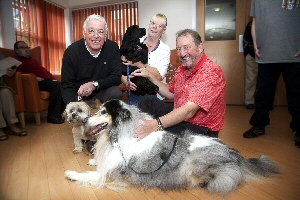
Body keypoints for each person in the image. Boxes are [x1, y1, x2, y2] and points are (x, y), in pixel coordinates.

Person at [132, 29, 226, 140]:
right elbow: (171, 93)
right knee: (148, 101)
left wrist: (154, 125)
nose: (182, 53)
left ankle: (144, 133)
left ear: (200, 47)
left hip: (202, 129)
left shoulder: (210, 72)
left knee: (159, 135)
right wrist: (150, 77)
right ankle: (137, 132)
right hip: (182, 118)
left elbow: (188, 111)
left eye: (187, 47)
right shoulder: (182, 69)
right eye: (179, 49)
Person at [243, 0, 300, 148]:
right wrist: (255, 45)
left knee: (296, 94)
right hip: (266, 56)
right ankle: (259, 126)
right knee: (263, 94)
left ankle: (299, 130)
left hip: (294, 55)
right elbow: (254, 22)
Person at [61, 14, 122, 105]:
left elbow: (116, 77)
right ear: (84, 33)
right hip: (79, 98)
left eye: (100, 32)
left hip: (102, 95)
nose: (96, 36)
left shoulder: (112, 48)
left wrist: (94, 85)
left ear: (105, 35)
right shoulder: (71, 52)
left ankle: (104, 117)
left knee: (115, 92)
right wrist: (73, 106)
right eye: (91, 31)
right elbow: (67, 85)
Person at [121, 13, 170, 106]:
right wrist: (124, 79)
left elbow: (159, 76)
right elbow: (121, 62)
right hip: (134, 91)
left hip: (154, 94)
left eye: (159, 26)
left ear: (163, 31)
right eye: (153, 23)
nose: (154, 27)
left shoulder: (165, 49)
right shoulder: (136, 41)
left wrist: (138, 64)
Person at [13, 41, 65, 124]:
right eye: (23, 48)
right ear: (16, 50)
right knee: (57, 86)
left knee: (64, 86)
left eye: (27, 47)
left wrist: (52, 78)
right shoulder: (16, 61)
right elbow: (18, 74)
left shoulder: (32, 60)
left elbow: (44, 71)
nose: (26, 50)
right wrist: (34, 78)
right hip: (34, 83)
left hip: (47, 81)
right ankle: (52, 116)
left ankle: (60, 114)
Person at [0, 53, 28, 141]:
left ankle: (12, 125)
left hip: (0, 86)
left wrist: (12, 70)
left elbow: (7, 65)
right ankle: (0, 128)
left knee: (6, 92)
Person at [243, 19, 258, 109]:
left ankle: (265, 102)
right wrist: (247, 53)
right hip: (252, 55)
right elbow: (245, 40)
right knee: (250, 79)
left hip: (267, 57)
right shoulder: (250, 25)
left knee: (266, 81)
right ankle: (249, 101)